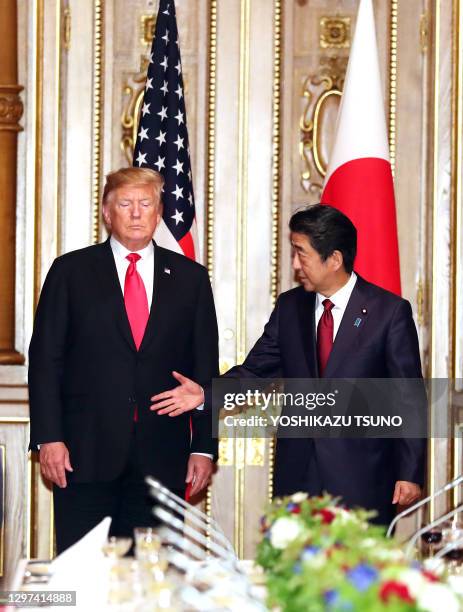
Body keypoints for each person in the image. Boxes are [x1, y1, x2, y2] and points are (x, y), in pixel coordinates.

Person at [151, 204, 426, 525]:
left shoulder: (388, 312)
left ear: (334, 259)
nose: (295, 264)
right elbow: (254, 373)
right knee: (292, 573)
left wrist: (409, 472)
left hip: (363, 477)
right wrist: (204, 395)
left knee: (357, 573)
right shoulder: (290, 307)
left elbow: (408, 397)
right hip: (298, 476)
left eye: (301, 253)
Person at [29, 167, 219, 552]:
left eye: (145, 204)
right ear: (106, 211)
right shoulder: (70, 272)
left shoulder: (190, 278)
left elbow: (204, 368)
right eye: (126, 204)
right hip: (82, 455)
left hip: (163, 457)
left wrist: (203, 446)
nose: (136, 213)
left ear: (159, 210)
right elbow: (46, 361)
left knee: (155, 577)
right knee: (84, 574)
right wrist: (49, 437)